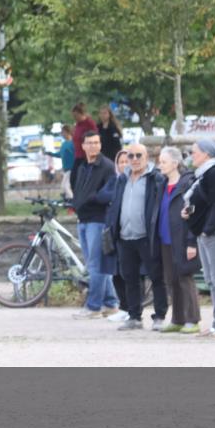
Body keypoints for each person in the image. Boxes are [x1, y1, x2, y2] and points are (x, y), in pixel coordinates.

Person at [104, 143, 169, 331]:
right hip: (125, 237)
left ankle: (159, 316)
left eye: (138, 155)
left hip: (146, 236)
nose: (134, 160)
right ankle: (134, 316)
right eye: (130, 156)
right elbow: (115, 204)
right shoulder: (122, 179)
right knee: (129, 278)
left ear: (146, 157)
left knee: (156, 277)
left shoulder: (155, 178)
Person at [182, 139, 215, 338]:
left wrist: (208, 229)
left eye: (194, 151)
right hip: (205, 231)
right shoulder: (204, 174)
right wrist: (190, 212)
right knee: (211, 279)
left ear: (206, 153)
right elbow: (204, 203)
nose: (191, 155)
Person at [69, 131, 119, 319]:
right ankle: (110, 302)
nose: (93, 146)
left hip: (97, 220)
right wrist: (75, 203)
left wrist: (92, 199)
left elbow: (110, 193)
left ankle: (94, 307)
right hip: (83, 219)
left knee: (96, 265)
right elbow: (78, 190)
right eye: (89, 143)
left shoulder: (106, 167)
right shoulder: (83, 166)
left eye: (96, 142)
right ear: (83, 146)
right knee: (95, 265)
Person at [155, 147, 202, 333]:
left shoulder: (187, 183)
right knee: (171, 279)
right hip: (165, 238)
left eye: (164, 162)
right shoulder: (162, 184)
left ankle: (193, 319)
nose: (160, 165)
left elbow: (193, 214)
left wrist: (192, 242)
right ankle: (178, 318)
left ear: (175, 163)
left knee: (185, 278)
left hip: (182, 238)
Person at [101, 150, 132, 322]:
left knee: (129, 273)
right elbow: (101, 196)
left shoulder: (134, 181)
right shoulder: (115, 180)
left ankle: (132, 308)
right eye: (121, 162)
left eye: (127, 161)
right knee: (116, 273)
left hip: (129, 233)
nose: (124, 165)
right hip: (113, 233)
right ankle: (123, 306)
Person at [47, 125, 75, 199]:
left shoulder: (73, 143)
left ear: (67, 132)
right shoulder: (64, 144)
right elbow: (60, 154)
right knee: (65, 187)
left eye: (62, 132)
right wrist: (51, 154)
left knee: (65, 186)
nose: (61, 134)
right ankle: (68, 201)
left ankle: (73, 201)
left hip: (71, 168)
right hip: (66, 169)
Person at [71, 102, 98, 178]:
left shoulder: (89, 123)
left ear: (81, 114)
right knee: (74, 177)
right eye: (73, 116)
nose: (74, 118)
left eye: (76, 115)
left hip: (85, 156)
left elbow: (95, 136)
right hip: (78, 155)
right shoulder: (77, 125)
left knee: (79, 177)